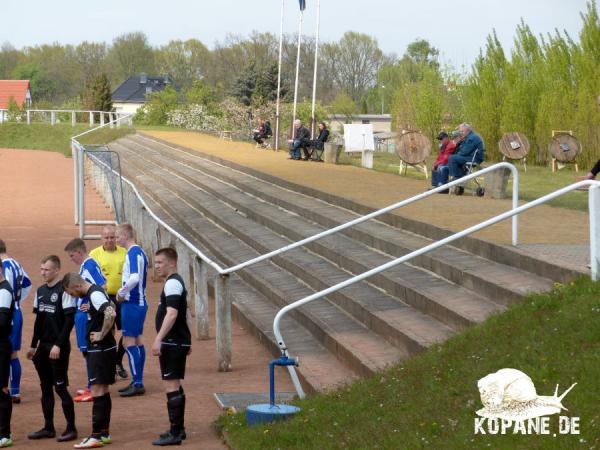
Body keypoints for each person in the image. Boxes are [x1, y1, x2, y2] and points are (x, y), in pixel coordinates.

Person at [62, 273, 116, 449]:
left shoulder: (94, 294)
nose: (72, 296)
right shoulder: (96, 292)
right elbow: (111, 306)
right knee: (104, 390)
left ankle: (96, 436)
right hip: (104, 348)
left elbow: (111, 312)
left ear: (76, 286)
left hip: (99, 349)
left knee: (97, 390)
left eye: (71, 293)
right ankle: (105, 433)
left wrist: (101, 333)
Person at [27, 255, 78, 442]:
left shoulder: (64, 291)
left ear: (57, 270)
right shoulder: (40, 291)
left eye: (46, 269)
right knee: (45, 388)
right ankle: (48, 427)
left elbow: (69, 321)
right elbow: (39, 322)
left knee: (60, 388)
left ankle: (71, 428)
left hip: (59, 347)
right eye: (41, 269)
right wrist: (33, 346)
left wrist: (58, 344)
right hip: (43, 347)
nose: (43, 273)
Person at [151, 248, 192, 446]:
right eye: (156, 262)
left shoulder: (173, 283)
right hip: (177, 341)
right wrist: (188, 339)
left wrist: (159, 338)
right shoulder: (173, 282)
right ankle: (179, 430)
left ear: (172, 263)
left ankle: (175, 433)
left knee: (171, 385)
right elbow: (186, 313)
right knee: (174, 384)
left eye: (160, 262)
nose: (157, 266)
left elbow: (173, 314)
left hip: (172, 342)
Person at [64, 238, 107, 403]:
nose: (71, 258)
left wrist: (90, 305)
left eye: (72, 255)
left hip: (86, 316)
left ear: (80, 252)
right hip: (84, 315)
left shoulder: (88, 266)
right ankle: (91, 385)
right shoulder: (87, 265)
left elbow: (102, 286)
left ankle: (93, 386)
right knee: (86, 350)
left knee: (88, 351)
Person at [89, 225, 128, 381]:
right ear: (101, 238)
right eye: (106, 237)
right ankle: (111, 365)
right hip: (104, 299)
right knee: (109, 332)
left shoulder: (124, 253)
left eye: (113, 237)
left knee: (126, 332)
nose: (110, 240)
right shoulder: (94, 255)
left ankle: (118, 360)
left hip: (122, 298)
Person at [116, 223, 148, 397]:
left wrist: (122, 292)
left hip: (133, 303)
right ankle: (137, 379)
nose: (116, 239)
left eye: (118, 236)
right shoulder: (140, 252)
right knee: (137, 341)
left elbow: (135, 278)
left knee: (128, 342)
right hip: (139, 302)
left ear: (126, 235)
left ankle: (138, 382)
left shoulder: (133, 253)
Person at [0, 239, 32, 404]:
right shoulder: (16, 264)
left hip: (6, 314)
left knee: (7, 352)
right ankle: (15, 391)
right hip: (16, 312)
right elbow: (28, 283)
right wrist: (18, 301)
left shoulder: (4, 267)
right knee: (12, 353)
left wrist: (11, 302)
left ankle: (9, 390)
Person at [0, 259, 15, 448]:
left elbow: (2, 321)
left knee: (2, 390)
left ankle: (5, 434)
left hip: (1, 347)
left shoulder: (4, 291)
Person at [448, 123, 485, 195]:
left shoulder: (472, 138)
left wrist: (457, 155)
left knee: (452, 158)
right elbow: (462, 150)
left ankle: (458, 178)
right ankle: (459, 178)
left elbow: (464, 151)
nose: (460, 133)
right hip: (470, 157)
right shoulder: (469, 137)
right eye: (460, 131)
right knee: (454, 158)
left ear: (468, 131)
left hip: (474, 158)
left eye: (462, 131)